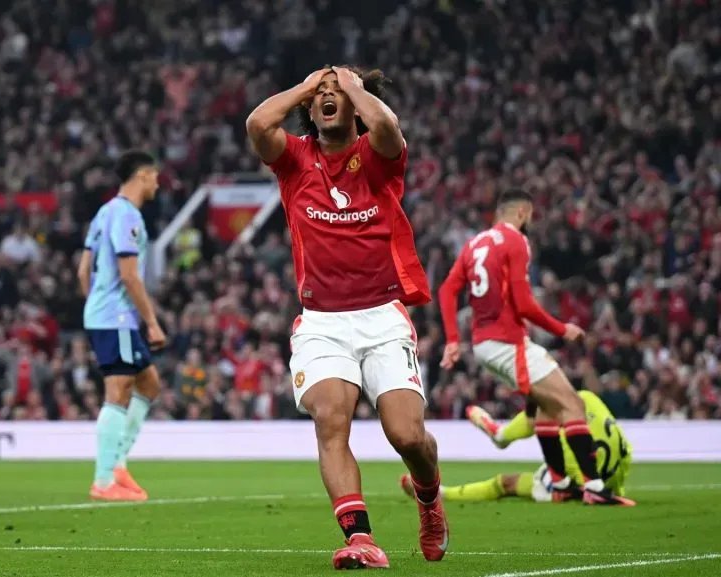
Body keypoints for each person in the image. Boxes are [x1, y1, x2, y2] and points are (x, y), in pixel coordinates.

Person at [246, 66, 448, 569]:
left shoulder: (377, 157)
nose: (327, 99)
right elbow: (256, 124)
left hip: (381, 316)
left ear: (357, 104)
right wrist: (308, 85)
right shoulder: (295, 160)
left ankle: (429, 498)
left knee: (406, 436)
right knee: (330, 420)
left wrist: (353, 87)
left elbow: (388, 128)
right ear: (310, 110)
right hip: (321, 322)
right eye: (321, 97)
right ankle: (360, 538)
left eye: (337, 95)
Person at [437, 189, 635, 506]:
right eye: (529, 216)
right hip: (507, 342)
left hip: (483, 344)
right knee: (572, 403)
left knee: (547, 407)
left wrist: (451, 340)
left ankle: (560, 482)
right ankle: (594, 486)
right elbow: (524, 303)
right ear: (521, 213)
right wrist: (562, 329)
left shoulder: (474, 244)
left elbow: (447, 290)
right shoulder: (516, 241)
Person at [79, 150, 165, 502]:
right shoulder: (127, 216)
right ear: (143, 175)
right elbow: (129, 275)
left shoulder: (103, 213)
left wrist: (93, 307)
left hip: (104, 314)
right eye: (155, 176)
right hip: (116, 317)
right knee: (119, 390)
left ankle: (117, 465)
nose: (158, 183)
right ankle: (103, 479)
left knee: (149, 383)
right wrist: (152, 323)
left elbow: (83, 271)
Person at [399, 391, 632, 503]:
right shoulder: (587, 396)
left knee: (505, 482)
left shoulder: (545, 404)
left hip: (577, 483)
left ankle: (442, 493)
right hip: (613, 479)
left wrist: (479, 417)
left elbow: (500, 437)